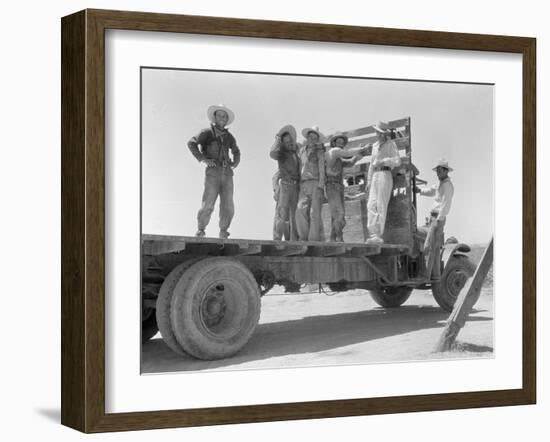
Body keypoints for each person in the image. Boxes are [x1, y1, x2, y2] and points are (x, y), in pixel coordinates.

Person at [187, 104, 240, 239]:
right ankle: (201, 230)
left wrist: (235, 162)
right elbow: (191, 143)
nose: (222, 118)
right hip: (213, 172)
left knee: (228, 206)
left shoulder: (229, 137)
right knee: (208, 204)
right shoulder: (207, 133)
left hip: (227, 173)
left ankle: (223, 232)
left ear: (227, 119)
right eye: (219, 115)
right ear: (214, 117)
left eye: (224, 116)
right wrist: (203, 159)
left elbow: (236, 151)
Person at [324, 131, 370, 242]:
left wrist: (357, 157)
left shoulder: (338, 158)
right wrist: (361, 149)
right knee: (339, 214)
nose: (340, 143)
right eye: (338, 141)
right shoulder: (334, 152)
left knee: (336, 215)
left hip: (338, 186)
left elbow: (349, 162)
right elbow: (348, 152)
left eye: (342, 141)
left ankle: (333, 239)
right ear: (334, 143)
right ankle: (339, 239)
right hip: (332, 185)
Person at [416, 159, 455, 279]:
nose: (437, 173)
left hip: (438, 217)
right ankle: (435, 275)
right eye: (437, 171)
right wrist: (420, 190)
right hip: (436, 217)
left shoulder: (447, 185)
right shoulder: (440, 183)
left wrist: (439, 218)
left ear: (445, 171)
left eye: (439, 170)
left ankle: (424, 275)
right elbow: (432, 191)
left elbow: (446, 203)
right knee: (435, 248)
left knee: (429, 245)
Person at [365, 121, 401, 245]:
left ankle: (378, 235)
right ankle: (373, 233)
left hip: (385, 174)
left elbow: (397, 161)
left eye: (381, 133)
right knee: (371, 204)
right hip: (375, 175)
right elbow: (371, 164)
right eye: (377, 132)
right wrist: (369, 181)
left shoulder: (391, 144)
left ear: (385, 133)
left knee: (381, 204)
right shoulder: (375, 146)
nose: (379, 135)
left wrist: (384, 161)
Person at [270, 125, 301, 241]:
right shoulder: (281, 154)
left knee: (294, 215)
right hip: (285, 186)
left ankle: (293, 240)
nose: (288, 143)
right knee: (281, 213)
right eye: (286, 142)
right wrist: (278, 139)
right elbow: (272, 153)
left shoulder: (296, 156)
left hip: (296, 187)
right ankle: (277, 239)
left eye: (290, 141)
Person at [295, 126, 326, 241]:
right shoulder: (302, 151)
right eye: (311, 137)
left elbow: (322, 168)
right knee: (300, 209)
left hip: (315, 182)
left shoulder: (319, 151)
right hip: (303, 183)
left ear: (317, 139)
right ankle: (303, 237)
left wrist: (321, 185)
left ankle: (313, 240)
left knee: (314, 212)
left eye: (315, 137)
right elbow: (299, 167)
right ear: (307, 137)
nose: (312, 139)